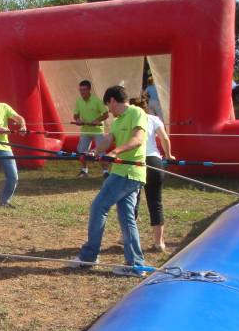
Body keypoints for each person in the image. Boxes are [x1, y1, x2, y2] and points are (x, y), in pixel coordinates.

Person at [72, 85, 148, 277]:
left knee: (98, 207)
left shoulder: (136, 112)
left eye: (108, 105)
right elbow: (107, 139)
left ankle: (89, 257)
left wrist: (115, 152)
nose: (109, 110)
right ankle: (135, 265)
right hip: (126, 173)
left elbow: (138, 139)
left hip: (128, 172)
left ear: (112, 101)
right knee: (126, 218)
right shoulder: (117, 121)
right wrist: (94, 152)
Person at [131, 97, 175, 252]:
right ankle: (159, 243)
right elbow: (164, 138)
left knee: (132, 201)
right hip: (155, 162)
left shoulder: (129, 120)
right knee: (155, 202)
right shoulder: (154, 119)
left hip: (136, 162)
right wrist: (169, 156)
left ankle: (128, 238)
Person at [72, 80, 109, 178]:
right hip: (85, 130)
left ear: (89, 90)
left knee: (101, 152)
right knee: (82, 151)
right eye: (80, 90)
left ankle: (105, 172)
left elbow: (106, 114)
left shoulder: (97, 101)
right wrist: (78, 120)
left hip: (97, 131)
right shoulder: (78, 101)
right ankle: (84, 170)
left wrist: (97, 120)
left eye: (84, 90)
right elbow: (75, 115)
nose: (82, 92)